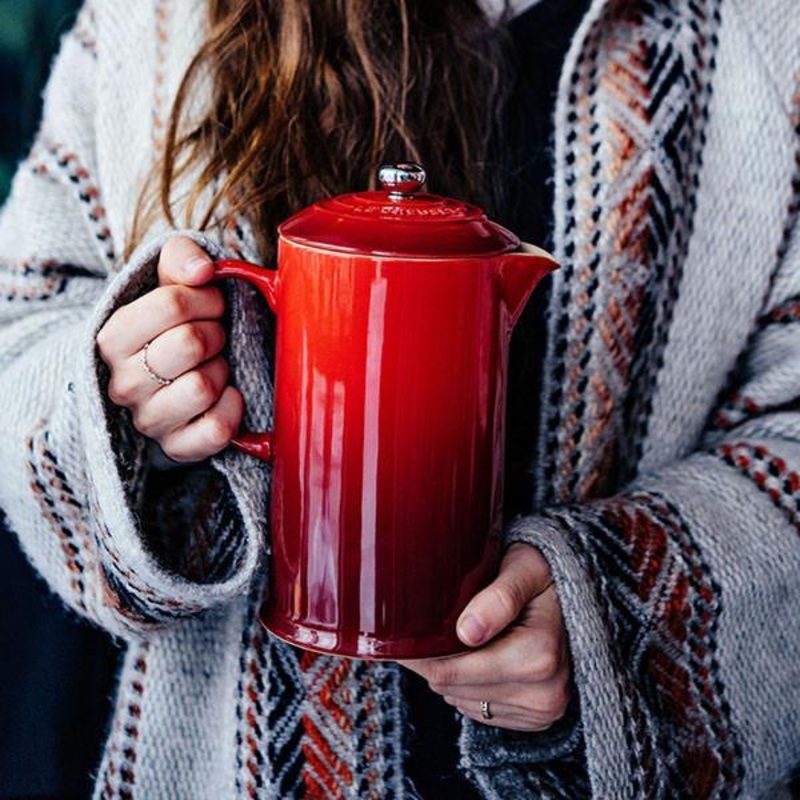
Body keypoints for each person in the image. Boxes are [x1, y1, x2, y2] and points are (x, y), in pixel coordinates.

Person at [0, 0, 797, 798]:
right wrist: (118, 386)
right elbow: (21, 322)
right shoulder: (153, 21)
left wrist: (618, 618)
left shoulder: (764, 36)